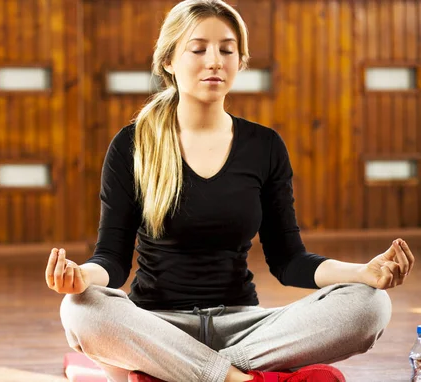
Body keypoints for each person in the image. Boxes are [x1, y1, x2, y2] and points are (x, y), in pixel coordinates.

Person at [45, 1, 415, 381]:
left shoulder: (264, 145)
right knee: (79, 309)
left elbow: (290, 261)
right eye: (198, 48)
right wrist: (82, 278)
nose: (215, 61)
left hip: (245, 327)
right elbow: (112, 259)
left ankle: (182, 372)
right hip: (158, 325)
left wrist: (364, 273)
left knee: (369, 305)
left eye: (227, 49)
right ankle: (237, 378)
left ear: (240, 61)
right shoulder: (131, 145)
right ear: (169, 60)